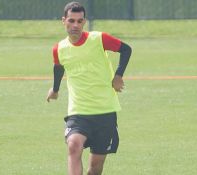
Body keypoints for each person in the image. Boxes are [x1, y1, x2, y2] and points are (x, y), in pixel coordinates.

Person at [46, 1, 132, 175]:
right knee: (73, 145)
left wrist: (118, 76)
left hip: (105, 111)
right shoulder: (59, 49)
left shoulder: (99, 39)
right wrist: (55, 90)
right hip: (79, 112)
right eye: (71, 21)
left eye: (79, 21)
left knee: (96, 168)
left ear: (84, 22)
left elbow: (126, 49)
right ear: (64, 21)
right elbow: (58, 67)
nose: (75, 25)